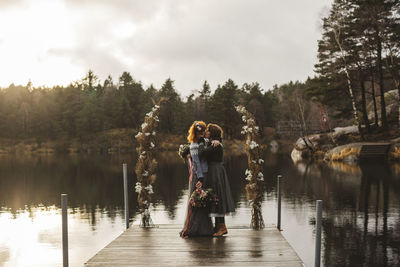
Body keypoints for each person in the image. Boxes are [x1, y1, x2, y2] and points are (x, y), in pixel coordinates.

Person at [199, 123, 235, 237]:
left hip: (216, 172)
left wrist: (201, 141)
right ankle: (218, 226)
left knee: (218, 197)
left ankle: (222, 227)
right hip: (213, 171)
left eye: (208, 130)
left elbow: (201, 153)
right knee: (214, 197)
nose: (206, 132)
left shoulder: (216, 145)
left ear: (212, 133)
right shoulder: (213, 143)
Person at [180, 121, 214, 238]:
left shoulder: (204, 143)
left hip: (205, 174)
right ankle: (193, 229)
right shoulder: (193, 146)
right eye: (199, 132)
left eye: (203, 132)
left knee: (204, 201)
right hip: (198, 176)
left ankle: (205, 229)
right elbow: (196, 163)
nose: (202, 134)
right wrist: (200, 178)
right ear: (195, 133)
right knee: (196, 202)